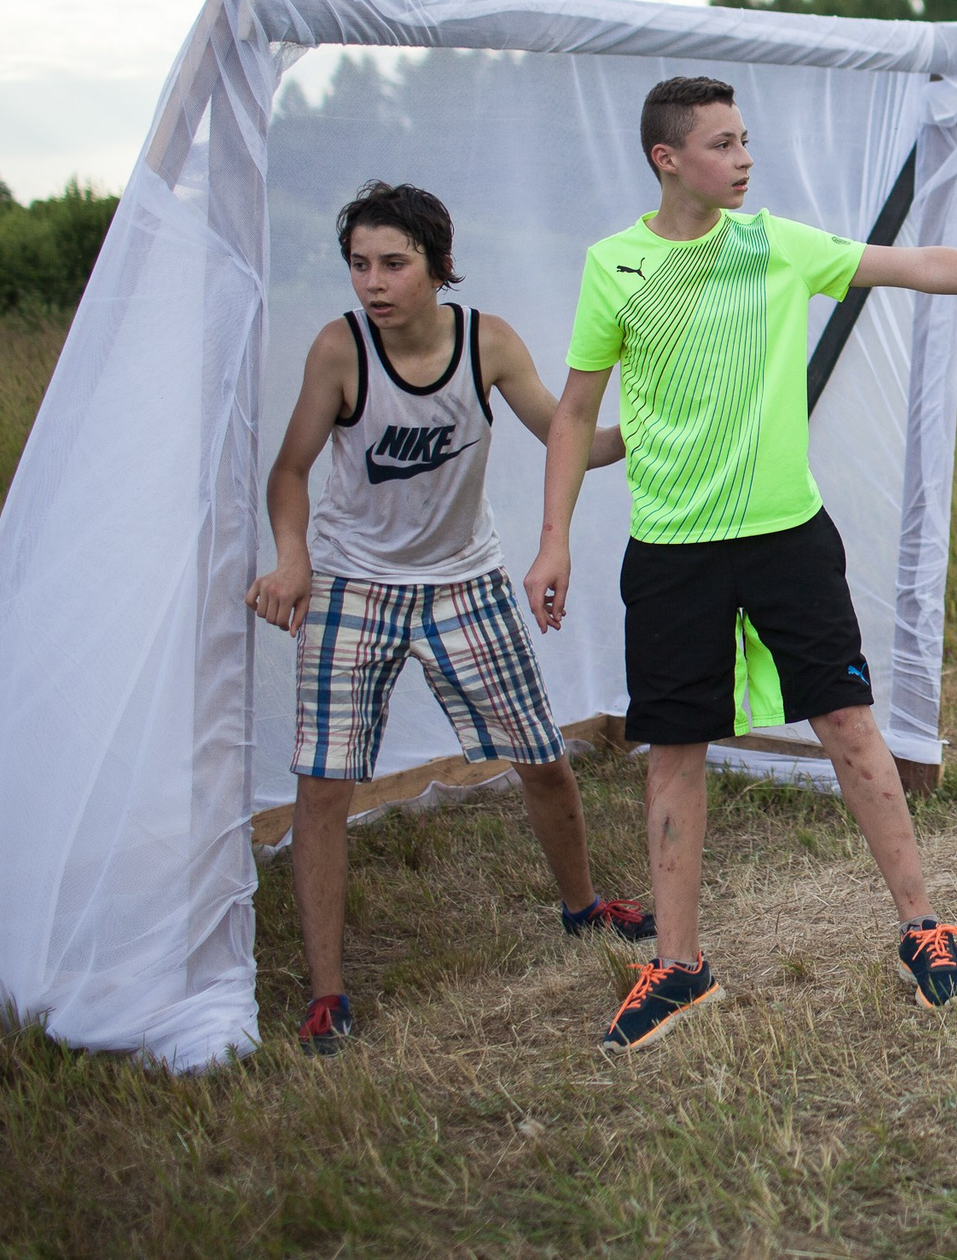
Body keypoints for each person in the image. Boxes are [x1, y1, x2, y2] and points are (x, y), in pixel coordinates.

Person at [523, 75, 957, 1054]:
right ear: (667, 159)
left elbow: (922, 265)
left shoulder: (775, 244)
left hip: (785, 537)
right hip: (672, 551)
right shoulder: (617, 267)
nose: (743, 158)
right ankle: (679, 968)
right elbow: (572, 412)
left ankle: (924, 927)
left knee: (848, 723)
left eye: (744, 140)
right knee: (675, 748)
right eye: (722, 144)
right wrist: (555, 536)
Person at [248, 182, 654, 1058]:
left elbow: (562, 431)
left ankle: (583, 910)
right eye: (359, 264)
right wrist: (291, 557)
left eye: (393, 263)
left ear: (438, 264)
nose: (373, 283)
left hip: (465, 581)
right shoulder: (339, 350)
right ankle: (327, 994)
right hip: (354, 583)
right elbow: (289, 470)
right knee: (322, 785)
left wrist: (656, 428)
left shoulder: (487, 342)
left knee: (542, 757)